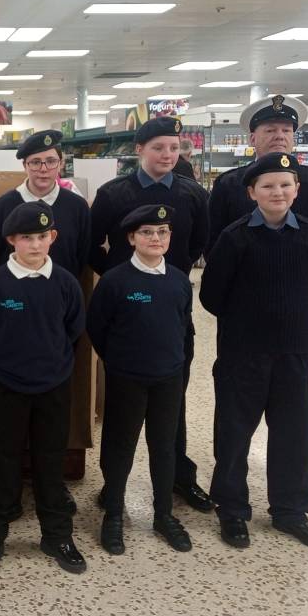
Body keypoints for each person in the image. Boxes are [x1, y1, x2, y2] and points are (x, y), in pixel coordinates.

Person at [200, 152, 308, 551]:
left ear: (296, 190)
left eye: (285, 184)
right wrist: (249, 320)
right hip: (243, 351)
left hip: (295, 351)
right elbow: (212, 294)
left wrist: (289, 316)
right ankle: (232, 508)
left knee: (294, 431)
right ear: (251, 192)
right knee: (234, 431)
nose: (277, 191)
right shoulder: (235, 236)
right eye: (267, 185)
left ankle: (291, 510)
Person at [88, 116, 212, 513]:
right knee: (122, 413)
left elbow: (198, 242)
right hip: (126, 312)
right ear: (139, 149)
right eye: (159, 147)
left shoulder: (193, 194)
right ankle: (113, 488)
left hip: (172, 309)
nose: (167, 155)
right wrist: (114, 277)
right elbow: (91, 243)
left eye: (174, 148)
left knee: (172, 402)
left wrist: (172, 276)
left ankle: (177, 478)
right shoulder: (114, 193)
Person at [0, 202, 87, 578]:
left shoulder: (66, 283)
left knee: (50, 463)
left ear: (52, 237)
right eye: (26, 238)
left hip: (53, 385)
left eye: (42, 236)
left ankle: (57, 536)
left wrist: (50, 361)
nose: (35, 245)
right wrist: (7, 363)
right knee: (3, 462)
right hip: (7, 387)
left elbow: (73, 330)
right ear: (11, 240)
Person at [88, 204, 194, 556]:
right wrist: (119, 362)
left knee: (164, 446)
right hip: (127, 378)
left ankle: (163, 513)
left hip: (168, 378)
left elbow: (183, 328)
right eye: (147, 232)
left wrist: (177, 365)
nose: (155, 238)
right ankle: (114, 511)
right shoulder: (116, 281)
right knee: (120, 445)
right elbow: (98, 329)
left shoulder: (179, 280)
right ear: (132, 238)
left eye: (162, 232)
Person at [207, 95, 308, 257]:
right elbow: (213, 244)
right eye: (270, 130)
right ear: (252, 139)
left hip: (301, 281)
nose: (279, 136)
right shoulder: (228, 184)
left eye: (286, 130)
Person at [0, 131, 90, 278]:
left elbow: (83, 254)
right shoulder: (4, 206)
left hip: (61, 292)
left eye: (51, 161)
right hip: (12, 295)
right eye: (35, 162)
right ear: (25, 165)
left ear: (61, 164)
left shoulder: (77, 207)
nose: (43, 169)